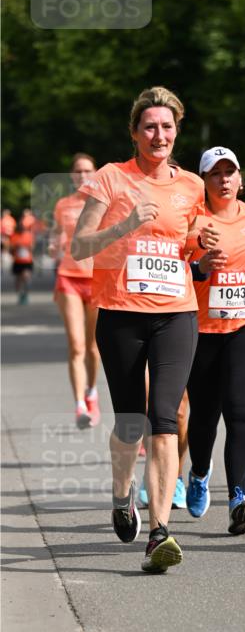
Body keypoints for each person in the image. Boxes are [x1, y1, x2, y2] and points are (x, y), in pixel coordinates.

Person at [72, 86, 204, 573]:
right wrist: (124, 224)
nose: (159, 134)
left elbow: (190, 246)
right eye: (150, 126)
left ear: (177, 131)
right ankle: (121, 493)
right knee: (131, 421)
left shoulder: (191, 186)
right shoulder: (110, 178)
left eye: (167, 127)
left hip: (176, 313)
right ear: (134, 133)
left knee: (164, 418)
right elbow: (80, 247)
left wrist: (203, 246)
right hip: (121, 314)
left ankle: (159, 532)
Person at [185, 146, 245, 534]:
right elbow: (177, 271)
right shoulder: (192, 221)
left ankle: (239, 496)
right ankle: (199, 472)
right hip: (203, 328)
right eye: (215, 174)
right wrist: (201, 267)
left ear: (241, 179)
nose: (224, 180)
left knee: (241, 410)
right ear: (204, 182)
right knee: (205, 416)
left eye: (230, 172)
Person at [49, 153, 101, 429]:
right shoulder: (63, 205)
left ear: (95, 173)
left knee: (93, 348)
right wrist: (54, 244)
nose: (83, 175)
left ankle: (92, 392)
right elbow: (57, 233)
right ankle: (80, 404)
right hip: (68, 276)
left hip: (95, 280)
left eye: (88, 170)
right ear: (72, 176)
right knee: (76, 345)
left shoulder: (102, 203)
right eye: (78, 171)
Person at [9, 213, 34, 304]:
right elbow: (10, 249)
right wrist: (16, 247)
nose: (21, 227)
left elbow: (32, 247)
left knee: (26, 277)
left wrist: (26, 247)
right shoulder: (14, 236)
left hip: (27, 260)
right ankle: (20, 295)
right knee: (18, 279)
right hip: (17, 261)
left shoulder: (28, 235)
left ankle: (26, 294)